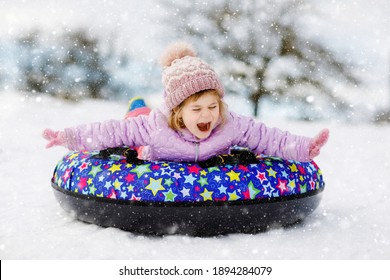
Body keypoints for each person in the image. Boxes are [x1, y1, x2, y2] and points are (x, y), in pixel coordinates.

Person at [43, 41, 329, 162]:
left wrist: (305, 147)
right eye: (197, 109)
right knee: (132, 123)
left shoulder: (229, 125)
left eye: (213, 106)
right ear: (178, 111)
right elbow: (109, 133)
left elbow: (267, 137)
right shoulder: (156, 126)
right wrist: (68, 137)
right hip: (149, 144)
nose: (208, 114)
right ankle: (136, 104)